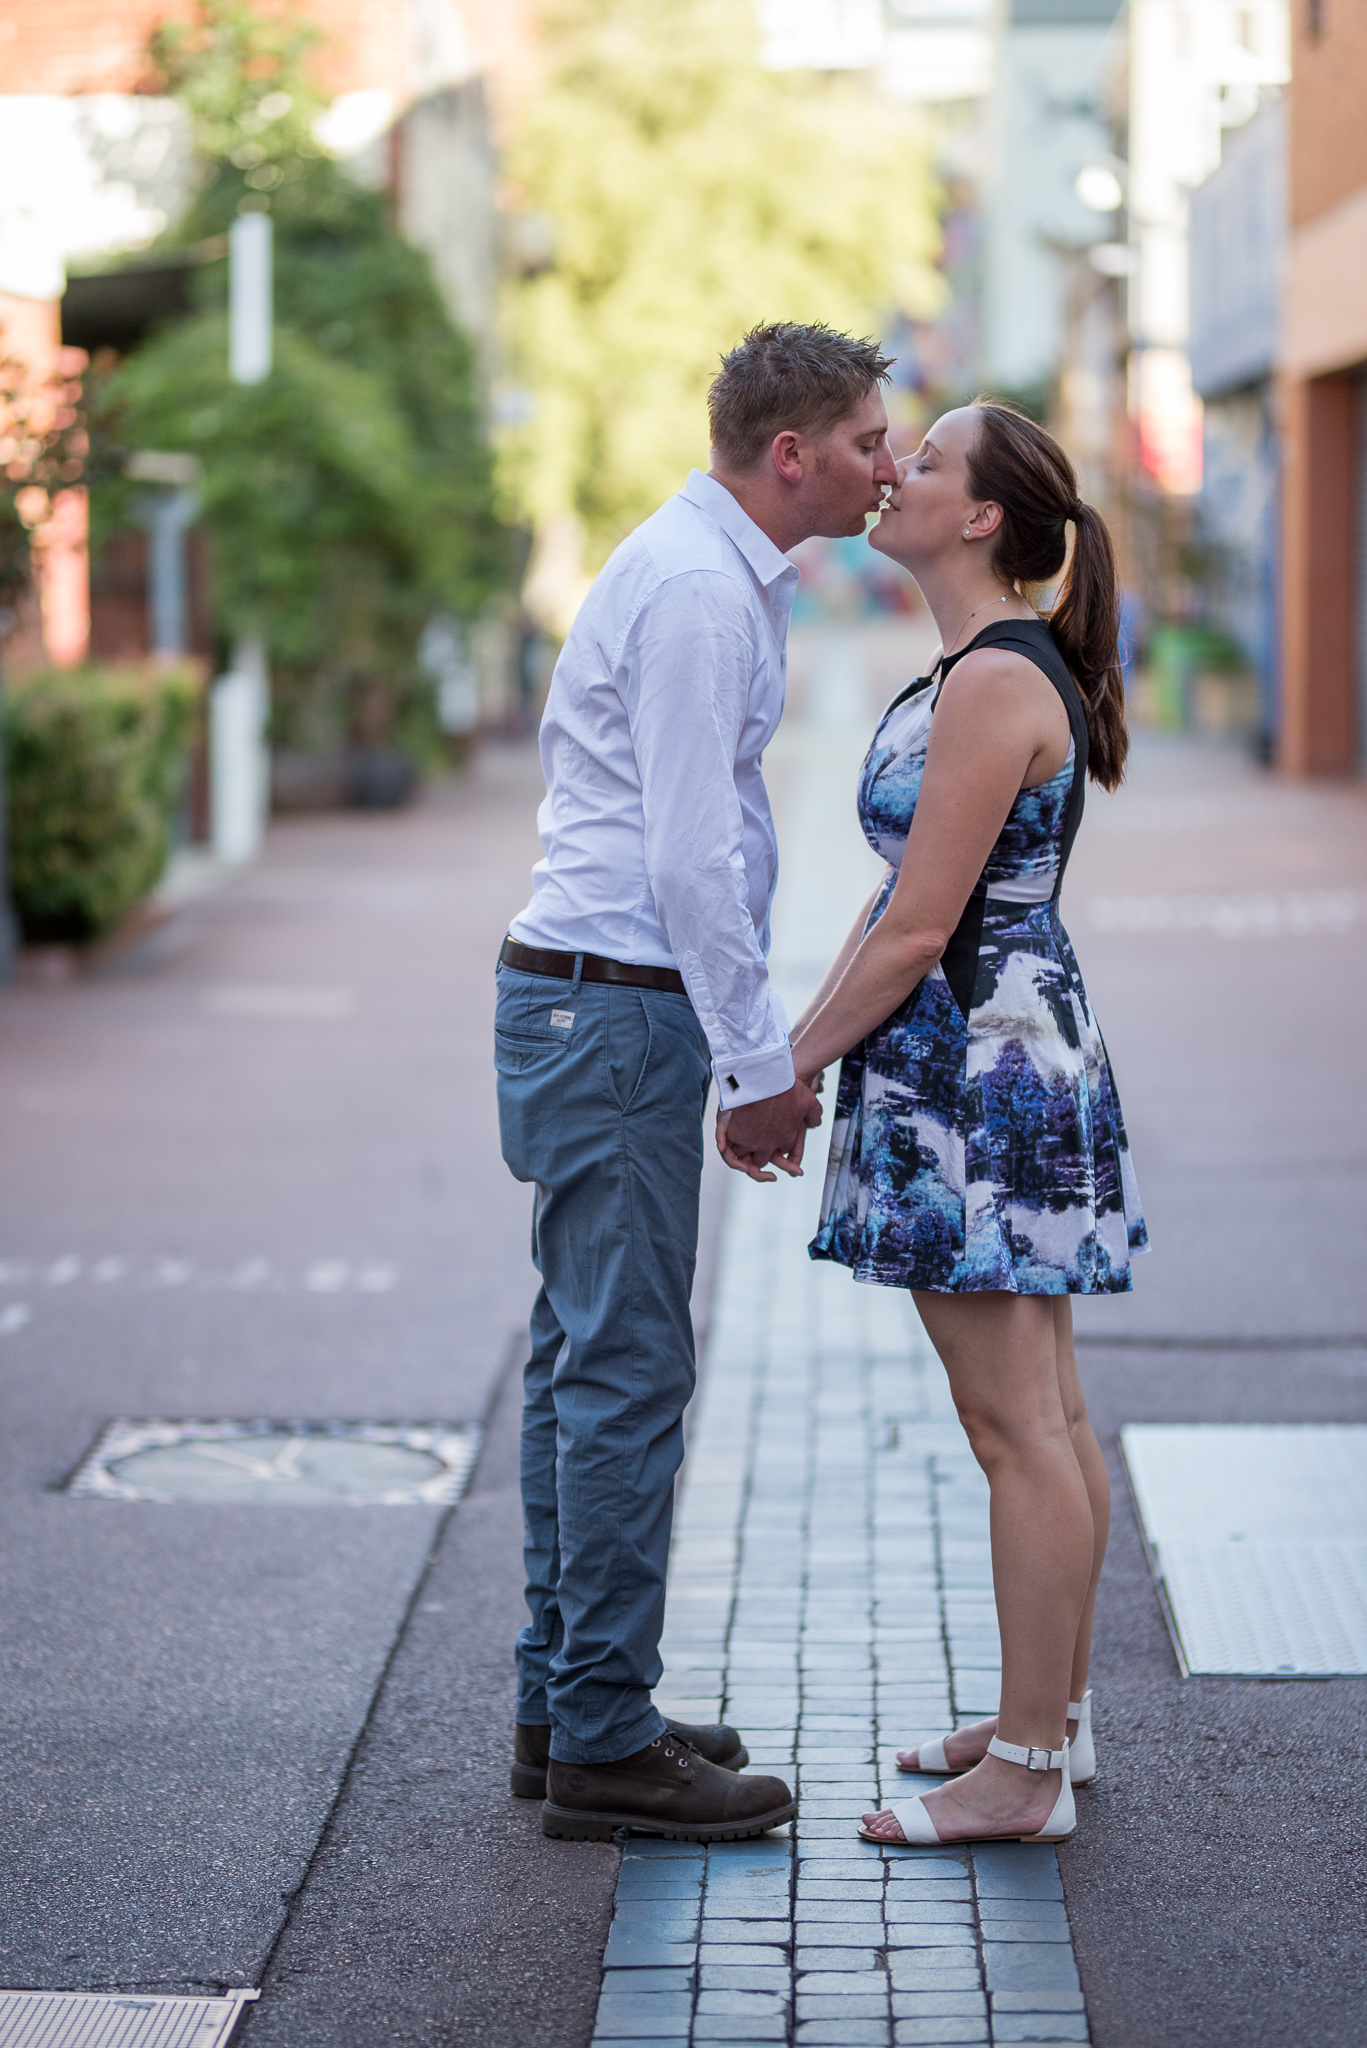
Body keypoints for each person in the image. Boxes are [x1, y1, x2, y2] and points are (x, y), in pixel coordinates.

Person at [496, 322, 900, 1842]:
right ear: (789, 454)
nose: (887, 460)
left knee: (583, 1367)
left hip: (588, 1007)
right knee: (627, 1374)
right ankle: (603, 1737)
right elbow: (686, 857)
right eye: (867, 437)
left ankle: (570, 1703)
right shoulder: (692, 592)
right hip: (614, 1012)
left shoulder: (708, 574)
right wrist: (757, 1068)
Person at [788, 399, 1147, 1847]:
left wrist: (784, 1069)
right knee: (1042, 1411)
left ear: (983, 516)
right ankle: (1047, 1719)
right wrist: (798, 1049)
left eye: (923, 460)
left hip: (982, 1078)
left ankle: (1027, 1771)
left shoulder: (995, 683)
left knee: (1018, 1426)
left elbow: (915, 927)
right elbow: (892, 912)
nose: (894, 474)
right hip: (993, 1056)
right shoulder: (980, 670)